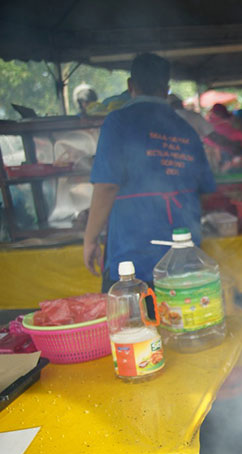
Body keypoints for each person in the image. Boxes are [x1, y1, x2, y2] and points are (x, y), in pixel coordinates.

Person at [83, 53, 216, 291]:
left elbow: (106, 186)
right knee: (184, 325)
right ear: (166, 90)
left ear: (130, 86)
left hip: (133, 260)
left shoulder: (119, 122)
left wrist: (90, 239)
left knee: (133, 325)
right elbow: (204, 190)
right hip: (185, 259)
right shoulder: (186, 129)